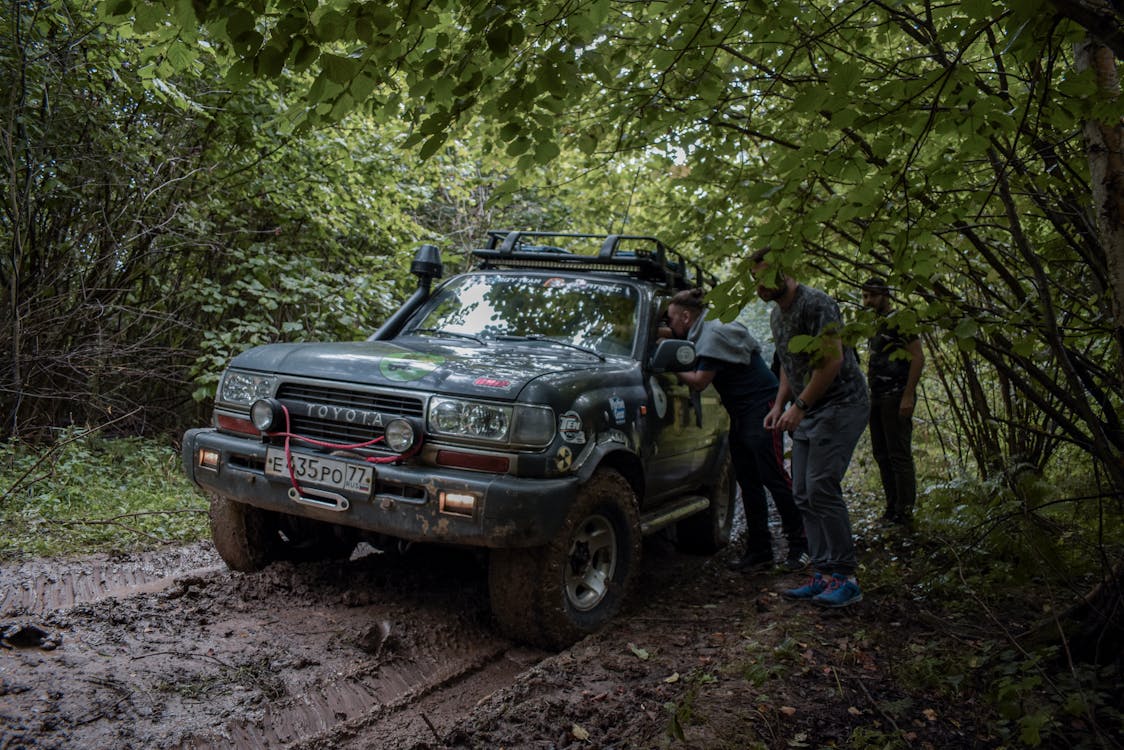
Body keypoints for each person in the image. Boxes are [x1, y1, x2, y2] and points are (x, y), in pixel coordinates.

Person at [751, 249, 869, 608]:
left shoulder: (816, 303)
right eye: (753, 279)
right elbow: (789, 363)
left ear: (784, 271)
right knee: (801, 491)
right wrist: (779, 404)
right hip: (809, 407)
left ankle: (846, 577)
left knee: (821, 487)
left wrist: (800, 407)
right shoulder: (777, 316)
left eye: (763, 276)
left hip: (841, 403)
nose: (758, 286)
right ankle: (822, 573)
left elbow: (831, 361)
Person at [663, 288, 809, 573]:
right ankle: (760, 550)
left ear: (686, 315)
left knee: (774, 476)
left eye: (670, 320)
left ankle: (801, 545)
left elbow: (699, 381)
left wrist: (664, 358)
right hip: (741, 412)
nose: (669, 325)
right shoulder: (703, 332)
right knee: (747, 479)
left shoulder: (714, 334)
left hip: (763, 407)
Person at [861, 277, 924, 527]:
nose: (867, 301)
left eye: (872, 296)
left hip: (897, 395)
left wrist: (908, 395)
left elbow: (918, 357)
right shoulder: (873, 323)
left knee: (899, 455)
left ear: (885, 295)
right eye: (864, 296)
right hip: (876, 396)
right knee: (881, 453)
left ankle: (905, 512)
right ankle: (892, 508)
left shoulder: (900, 319)